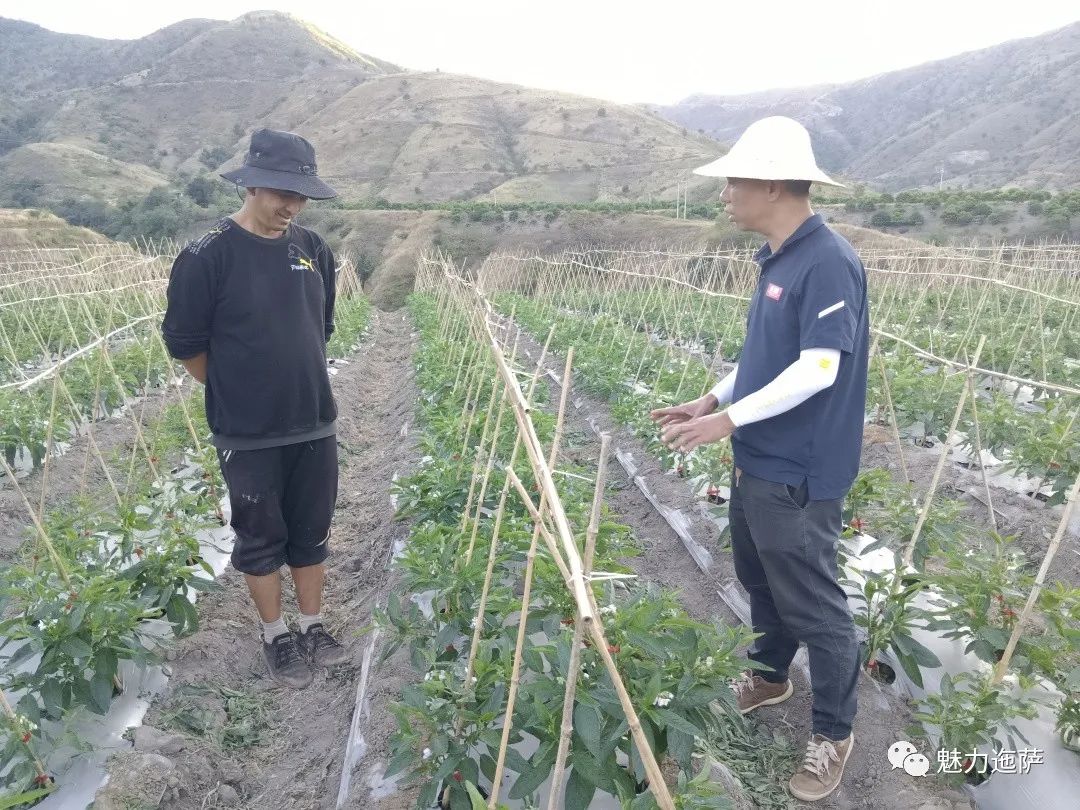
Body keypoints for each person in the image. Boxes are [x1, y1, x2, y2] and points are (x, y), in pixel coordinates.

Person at [651, 116, 869, 802]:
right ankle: (770, 677)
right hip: (758, 460)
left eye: (731, 182)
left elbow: (819, 368)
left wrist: (727, 421)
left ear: (771, 183)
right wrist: (709, 398)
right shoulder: (779, 256)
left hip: (799, 469)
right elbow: (764, 358)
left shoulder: (827, 258)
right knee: (760, 578)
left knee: (816, 603)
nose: (723, 195)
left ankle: (833, 733)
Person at [162, 128, 348, 689]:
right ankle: (276, 635)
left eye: (300, 195)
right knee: (260, 538)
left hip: (314, 422)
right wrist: (236, 390)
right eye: (278, 191)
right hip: (247, 434)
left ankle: (313, 625)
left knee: (311, 532)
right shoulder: (206, 256)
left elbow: (321, 329)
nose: (289, 205)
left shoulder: (313, 250)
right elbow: (186, 344)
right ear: (251, 183)